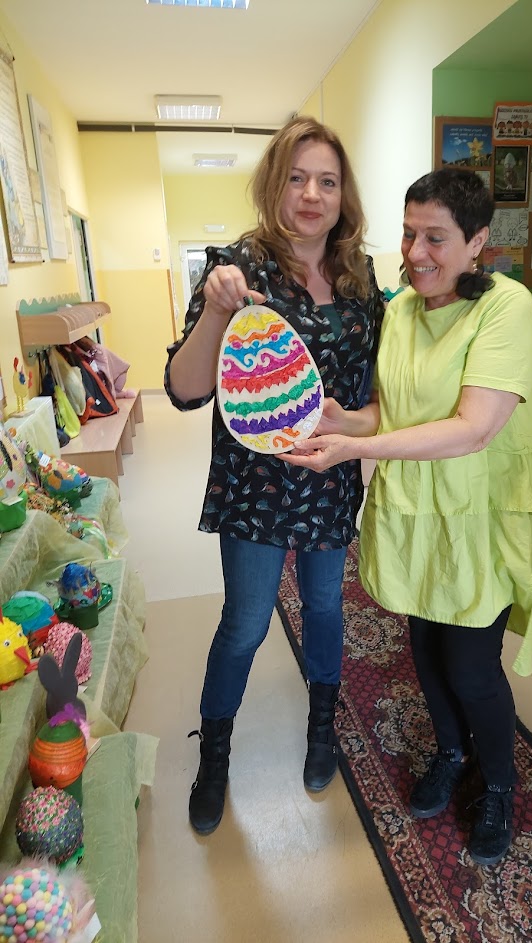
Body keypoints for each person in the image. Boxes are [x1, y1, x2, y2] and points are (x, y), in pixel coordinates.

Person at [282, 168, 532, 866]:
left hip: (480, 512)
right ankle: (452, 750)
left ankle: (499, 784)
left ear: (477, 243)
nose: (416, 253)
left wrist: (356, 449)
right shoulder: (401, 309)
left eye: (436, 238)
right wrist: (341, 419)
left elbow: (473, 428)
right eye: (409, 234)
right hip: (419, 510)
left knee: (471, 664)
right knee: (427, 648)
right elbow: (391, 410)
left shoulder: (506, 309)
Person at [164, 116, 384, 835]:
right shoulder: (237, 267)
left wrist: (355, 428)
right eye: (297, 178)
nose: (312, 194)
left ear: (343, 194)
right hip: (255, 486)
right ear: (273, 185)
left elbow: (376, 396)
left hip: (329, 479)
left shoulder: (360, 278)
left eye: (327, 180)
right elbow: (185, 389)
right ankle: (215, 755)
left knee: (325, 607)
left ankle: (322, 728)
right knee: (246, 622)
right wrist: (216, 309)